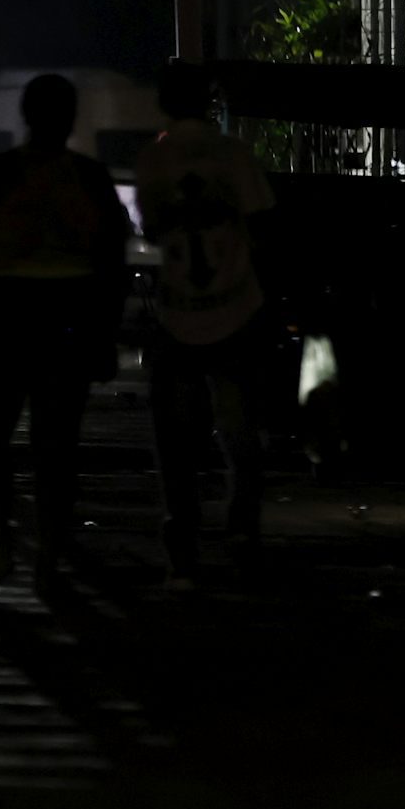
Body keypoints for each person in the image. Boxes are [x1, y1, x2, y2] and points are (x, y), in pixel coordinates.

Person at [0, 73, 127, 590]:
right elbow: (112, 264)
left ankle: (3, 547)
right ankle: (49, 555)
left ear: (24, 115)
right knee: (57, 442)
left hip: (4, 310)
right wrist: (106, 333)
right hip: (70, 311)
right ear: (71, 118)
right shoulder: (90, 176)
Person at [133, 61, 277, 588]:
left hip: (178, 311)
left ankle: (183, 540)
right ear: (209, 102)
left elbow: (153, 228)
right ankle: (242, 531)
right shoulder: (234, 155)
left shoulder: (154, 160)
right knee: (243, 432)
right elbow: (263, 225)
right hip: (237, 306)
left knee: (176, 438)